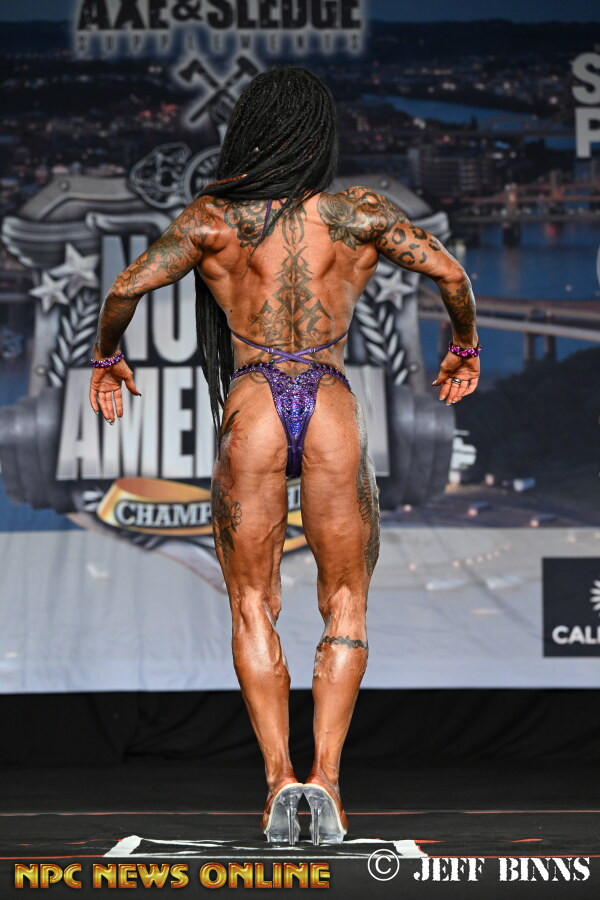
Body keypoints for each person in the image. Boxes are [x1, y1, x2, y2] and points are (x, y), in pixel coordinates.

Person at [89, 66, 480, 846]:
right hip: (328, 397)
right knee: (347, 603)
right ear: (318, 136)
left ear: (252, 133)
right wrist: (464, 344)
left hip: (255, 403)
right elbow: (450, 274)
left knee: (250, 602)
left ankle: (279, 783)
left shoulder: (213, 219)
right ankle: (326, 780)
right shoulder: (359, 212)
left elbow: (126, 287)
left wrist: (107, 358)